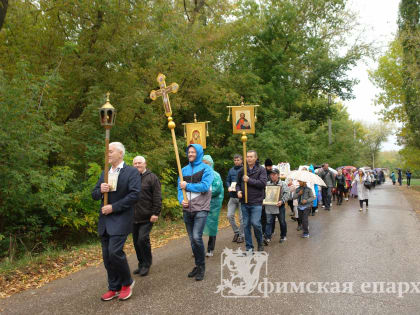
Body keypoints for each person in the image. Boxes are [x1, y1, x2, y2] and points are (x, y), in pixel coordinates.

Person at [92, 142, 141, 301]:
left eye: (111, 151)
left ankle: (127, 283)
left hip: (120, 218)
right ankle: (114, 287)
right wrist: (101, 190)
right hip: (105, 220)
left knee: (114, 252)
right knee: (107, 257)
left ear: (120, 153)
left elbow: (134, 195)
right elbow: (93, 194)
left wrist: (113, 207)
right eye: (107, 151)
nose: (108, 153)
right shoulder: (104, 173)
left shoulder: (131, 172)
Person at [178, 144, 213, 281]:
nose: (190, 154)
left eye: (193, 152)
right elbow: (179, 189)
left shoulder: (206, 169)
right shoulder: (183, 170)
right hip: (187, 209)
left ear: (198, 153)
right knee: (192, 240)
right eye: (189, 152)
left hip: (201, 208)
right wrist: (182, 200)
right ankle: (197, 265)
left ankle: (202, 266)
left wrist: (188, 186)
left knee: (197, 237)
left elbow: (204, 187)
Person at [132, 156, 161, 277]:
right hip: (133, 216)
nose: (137, 165)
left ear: (145, 164)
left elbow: (157, 197)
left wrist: (155, 213)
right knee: (136, 242)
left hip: (147, 216)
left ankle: (146, 264)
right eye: (135, 163)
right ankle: (141, 263)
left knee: (142, 239)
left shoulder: (152, 177)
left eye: (139, 163)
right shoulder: (131, 178)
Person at [236, 150, 267, 253]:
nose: (248, 158)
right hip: (244, 202)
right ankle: (249, 248)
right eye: (247, 157)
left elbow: (262, 183)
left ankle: (260, 242)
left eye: (251, 157)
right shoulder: (242, 170)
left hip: (256, 201)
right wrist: (238, 191)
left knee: (256, 223)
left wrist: (249, 180)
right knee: (246, 225)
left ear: (255, 158)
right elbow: (237, 184)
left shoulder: (261, 170)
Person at [202, 155, 224, 257]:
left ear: (211, 164)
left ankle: (210, 249)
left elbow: (217, 189)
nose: (205, 165)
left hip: (214, 203)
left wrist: (204, 192)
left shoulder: (216, 175)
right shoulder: (200, 174)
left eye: (207, 163)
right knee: (199, 225)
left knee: (212, 225)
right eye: (203, 163)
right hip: (202, 203)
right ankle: (198, 249)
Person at [264, 168, 289, 244]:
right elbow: (264, 193)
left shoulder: (283, 184)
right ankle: (268, 237)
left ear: (278, 175)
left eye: (274, 174)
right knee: (269, 222)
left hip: (279, 206)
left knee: (282, 222)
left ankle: (283, 236)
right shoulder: (267, 184)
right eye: (271, 174)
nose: (272, 176)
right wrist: (263, 200)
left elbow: (287, 193)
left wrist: (282, 201)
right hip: (269, 206)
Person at [226, 154, 244, 243]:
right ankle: (236, 232)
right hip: (232, 197)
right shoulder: (231, 170)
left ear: (241, 160)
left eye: (238, 160)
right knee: (229, 216)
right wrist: (228, 186)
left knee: (241, 218)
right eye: (235, 160)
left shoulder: (245, 170)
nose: (236, 161)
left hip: (241, 197)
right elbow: (227, 180)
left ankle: (242, 235)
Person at [262, 158, 274, 239]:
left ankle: (271, 231)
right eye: (268, 166)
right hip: (263, 196)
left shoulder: (273, 173)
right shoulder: (263, 173)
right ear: (266, 166)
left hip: (271, 196)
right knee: (263, 215)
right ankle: (264, 231)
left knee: (270, 215)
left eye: (270, 166)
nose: (270, 167)